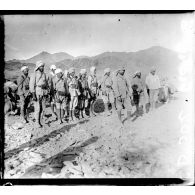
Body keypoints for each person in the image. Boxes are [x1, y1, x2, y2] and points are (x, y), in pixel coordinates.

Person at [29, 60, 49, 128]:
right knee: (37, 108)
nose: (42, 68)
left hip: (43, 92)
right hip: (37, 91)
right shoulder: (34, 74)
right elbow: (31, 85)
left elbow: (46, 83)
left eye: (43, 66)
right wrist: (33, 94)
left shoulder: (44, 74)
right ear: (38, 67)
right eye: (41, 66)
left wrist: (46, 91)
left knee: (42, 108)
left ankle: (40, 121)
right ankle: (37, 122)